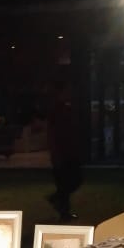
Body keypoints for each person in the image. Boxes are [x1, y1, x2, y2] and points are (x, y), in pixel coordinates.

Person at [45, 80, 82, 220]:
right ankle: (63, 211)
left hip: (67, 151)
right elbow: (55, 133)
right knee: (67, 182)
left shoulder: (64, 108)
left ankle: (61, 207)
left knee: (68, 182)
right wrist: (57, 153)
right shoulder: (57, 109)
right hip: (63, 153)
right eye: (67, 90)